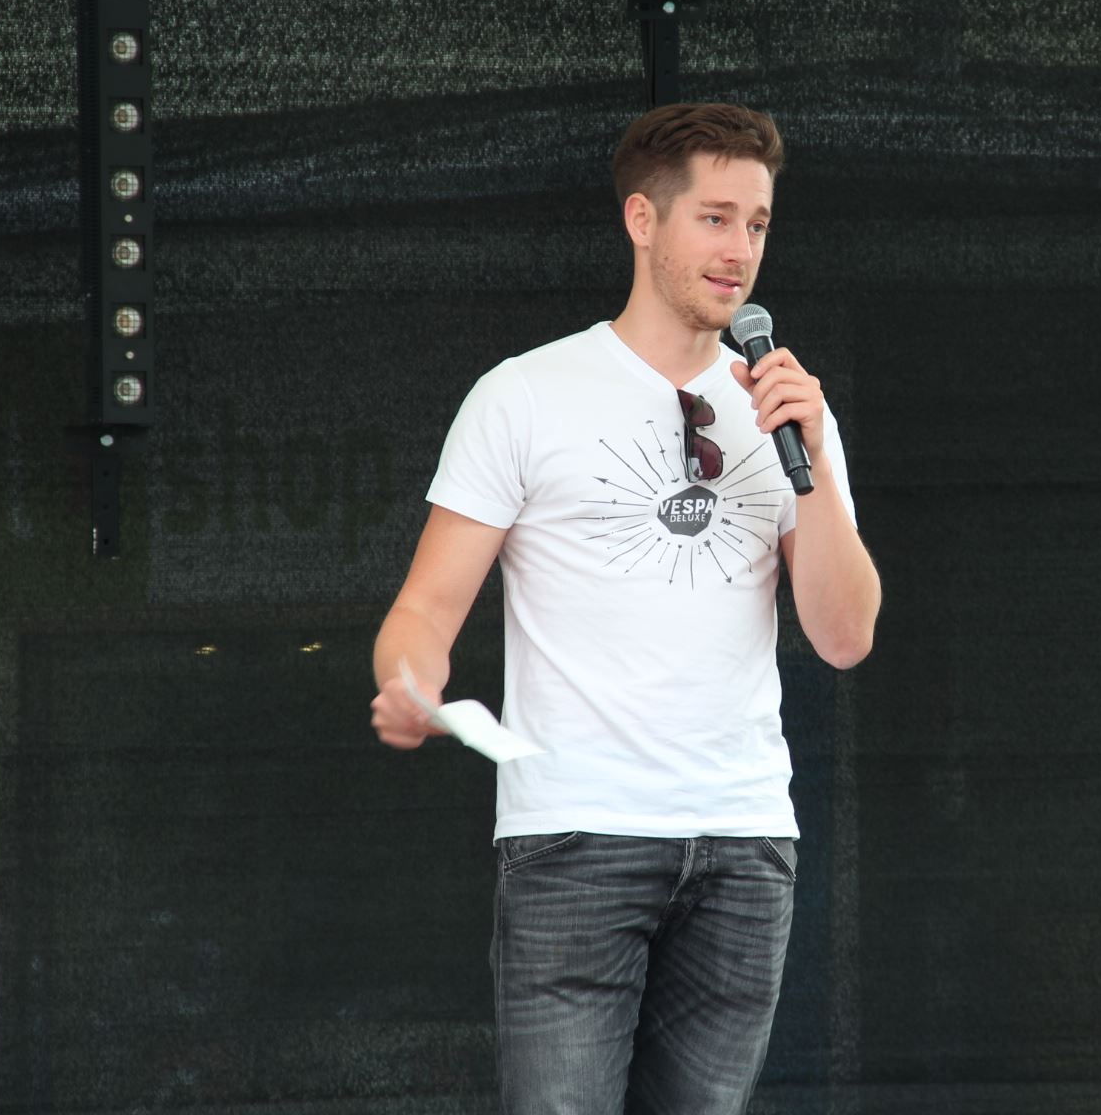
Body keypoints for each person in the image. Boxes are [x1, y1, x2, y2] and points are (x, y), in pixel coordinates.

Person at [369, 101, 882, 1114]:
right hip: (577, 833)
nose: (740, 250)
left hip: (743, 836)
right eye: (716, 218)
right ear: (643, 220)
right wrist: (409, 682)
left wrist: (816, 458)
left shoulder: (787, 413)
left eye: (758, 224)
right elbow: (426, 606)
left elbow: (844, 634)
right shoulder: (525, 395)